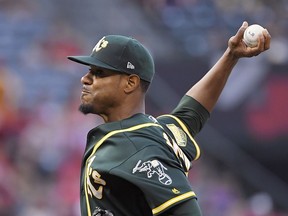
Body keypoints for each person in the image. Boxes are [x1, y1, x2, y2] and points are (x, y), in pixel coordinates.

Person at [67, 21, 271, 216]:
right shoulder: (156, 132)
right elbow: (192, 112)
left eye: (99, 73)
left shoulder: (134, 146)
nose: (85, 78)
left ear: (130, 83)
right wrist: (231, 56)